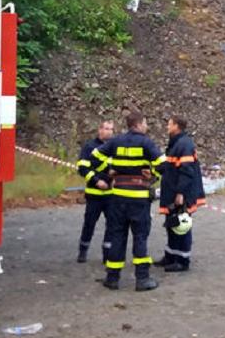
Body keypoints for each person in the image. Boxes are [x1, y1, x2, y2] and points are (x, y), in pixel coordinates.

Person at [92, 111, 165, 291]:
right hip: (139, 198)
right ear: (138, 124)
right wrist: (152, 173)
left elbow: (94, 156)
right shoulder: (146, 142)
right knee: (140, 237)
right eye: (145, 123)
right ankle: (142, 278)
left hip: (118, 197)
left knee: (117, 236)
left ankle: (112, 278)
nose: (146, 126)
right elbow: (163, 164)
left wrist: (110, 170)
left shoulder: (116, 141)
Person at [155, 115, 205, 272]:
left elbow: (187, 171)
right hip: (172, 191)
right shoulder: (176, 143)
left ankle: (183, 260)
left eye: (169, 124)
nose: (167, 127)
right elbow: (169, 166)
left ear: (176, 126)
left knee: (182, 226)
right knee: (172, 224)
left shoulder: (184, 144)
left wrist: (180, 193)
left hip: (180, 193)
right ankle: (170, 256)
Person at [75, 120, 115, 263]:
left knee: (112, 225)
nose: (109, 132)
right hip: (94, 193)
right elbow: (82, 168)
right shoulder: (89, 147)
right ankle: (83, 250)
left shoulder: (115, 147)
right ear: (100, 130)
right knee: (89, 223)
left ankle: (107, 254)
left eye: (111, 129)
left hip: (111, 194)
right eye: (106, 128)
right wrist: (96, 181)